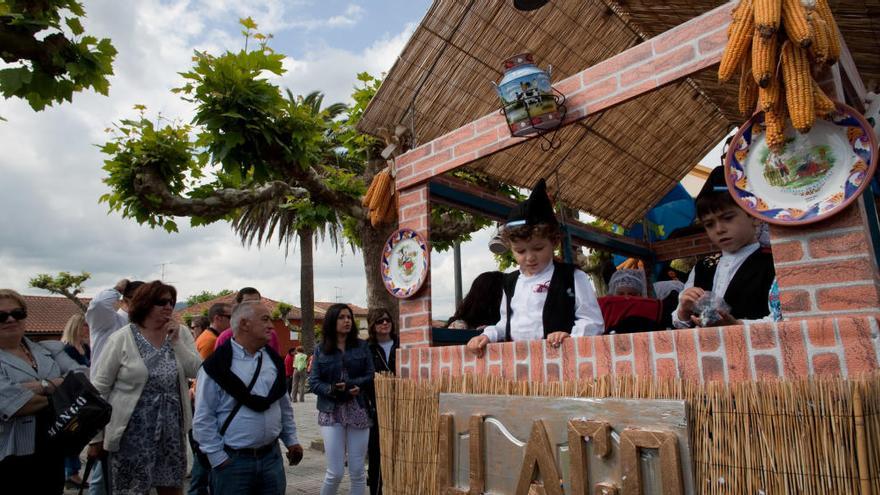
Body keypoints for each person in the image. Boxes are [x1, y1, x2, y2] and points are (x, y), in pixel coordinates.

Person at [466, 178, 604, 356]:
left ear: (553, 241)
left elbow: (592, 320)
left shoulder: (572, 277)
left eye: (538, 248)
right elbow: (507, 322)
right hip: (520, 361)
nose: (530, 257)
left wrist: (571, 336)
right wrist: (488, 335)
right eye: (520, 251)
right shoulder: (510, 282)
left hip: (562, 360)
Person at [89, 281, 201, 495]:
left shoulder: (181, 333)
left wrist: (176, 342)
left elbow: (196, 370)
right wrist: (96, 437)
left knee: (172, 488)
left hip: (171, 431)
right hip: (132, 432)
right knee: (131, 490)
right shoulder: (122, 338)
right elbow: (100, 388)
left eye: (171, 302)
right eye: (161, 302)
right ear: (145, 304)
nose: (168, 307)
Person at [193, 301, 303, 495]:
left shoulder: (273, 361)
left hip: (272, 460)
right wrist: (218, 458)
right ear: (244, 324)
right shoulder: (216, 367)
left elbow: (283, 406)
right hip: (233, 463)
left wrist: (291, 440)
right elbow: (203, 418)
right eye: (265, 319)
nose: (271, 325)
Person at [0, 289, 87, 494]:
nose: (11, 319)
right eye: (1, 316)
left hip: (53, 448)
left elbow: (83, 377)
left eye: (17, 313)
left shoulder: (48, 348)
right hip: (10, 455)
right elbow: (14, 405)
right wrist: (61, 387)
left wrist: (36, 387)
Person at [672, 167, 777, 328]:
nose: (719, 229)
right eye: (709, 224)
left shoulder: (772, 264)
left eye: (727, 218)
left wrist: (736, 325)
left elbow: (781, 320)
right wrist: (683, 310)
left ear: (754, 217)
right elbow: (680, 323)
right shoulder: (703, 267)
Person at [85, 278, 143, 495]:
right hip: (106, 407)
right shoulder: (108, 322)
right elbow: (99, 305)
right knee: (103, 473)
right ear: (127, 300)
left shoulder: (145, 330)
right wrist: (118, 288)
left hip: (134, 411)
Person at [310, 304, 375, 495]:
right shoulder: (321, 349)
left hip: (358, 409)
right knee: (335, 472)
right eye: (341, 317)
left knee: (357, 471)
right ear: (332, 321)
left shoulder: (362, 346)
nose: (347, 321)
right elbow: (314, 382)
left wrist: (357, 386)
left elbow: (371, 374)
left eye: (349, 317)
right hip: (331, 411)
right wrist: (331, 389)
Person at [189, 305, 227, 495]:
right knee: (203, 460)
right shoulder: (211, 340)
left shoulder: (206, 338)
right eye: (230, 316)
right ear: (218, 318)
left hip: (200, 398)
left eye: (194, 327)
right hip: (204, 401)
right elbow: (203, 373)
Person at [365, 308, 398, 495]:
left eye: (387, 320)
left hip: (402, 405)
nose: (385, 323)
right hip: (376, 408)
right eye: (380, 321)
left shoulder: (401, 343)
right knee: (377, 454)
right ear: (372, 326)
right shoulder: (366, 348)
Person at [60, 312, 92, 489]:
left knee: (79, 436)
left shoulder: (86, 348)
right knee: (72, 435)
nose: (88, 329)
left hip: (84, 396)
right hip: (72, 397)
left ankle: (72, 472)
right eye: (85, 325)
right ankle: (71, 473)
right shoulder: (67, 349)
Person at [214, 288, 281, 353]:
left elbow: (275, 361)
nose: (253, 305)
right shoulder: (225, 337)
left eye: (256, 302)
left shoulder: (270, 335)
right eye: (247, 302)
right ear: (239, 305)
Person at [597, 269, 664, 334]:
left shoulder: (651, 315)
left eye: (632, 294)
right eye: (621, 294)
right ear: (613, 294)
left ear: (641, 294)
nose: (626, 298)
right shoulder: (605, 316)